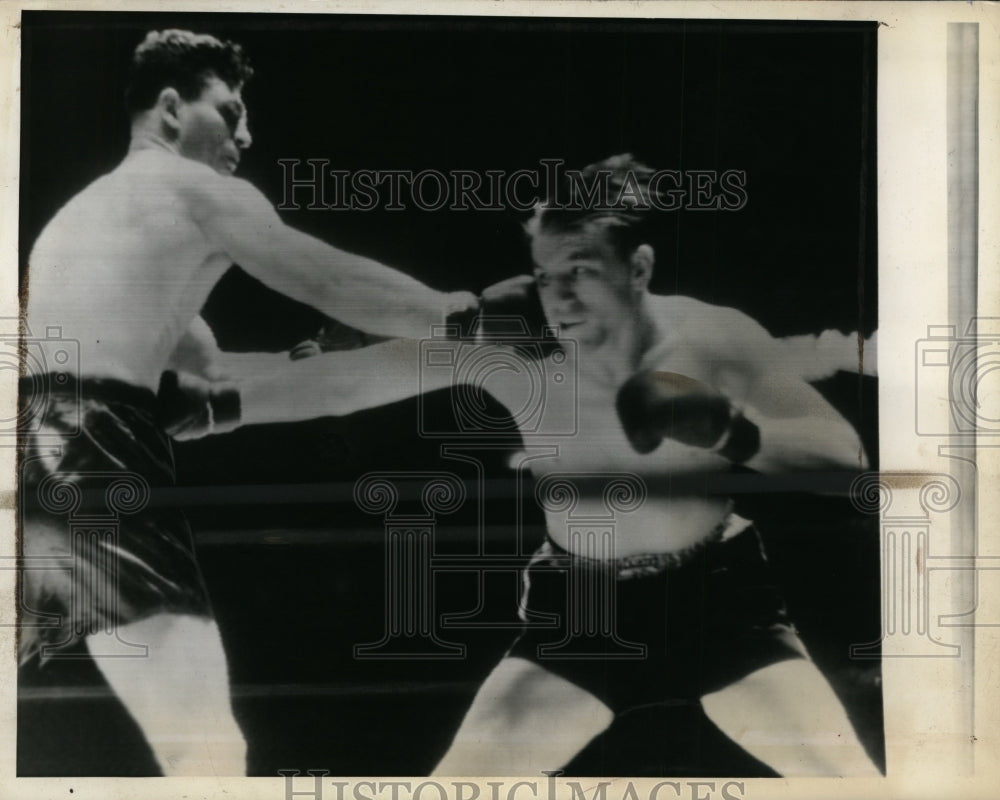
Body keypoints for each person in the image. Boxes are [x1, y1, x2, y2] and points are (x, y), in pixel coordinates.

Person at [169, 154, 880, 776]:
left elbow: (845, 457)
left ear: (638, 267)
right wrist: (215, 409)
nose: (559, 298)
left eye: (581, 272)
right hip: (581, 612)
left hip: (721, 608)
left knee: (846, 780)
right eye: (545, 275)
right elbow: (354, 380)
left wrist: (734, 433)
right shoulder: (519, 348)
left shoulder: (716, 337)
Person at [19, 28, 479, 776]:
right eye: (229, 111)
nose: (246, 133)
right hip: (87, 450)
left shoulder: (98, 221)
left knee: (183, 738)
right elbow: (325, 278)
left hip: (47, 455)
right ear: (171, 109)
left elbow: (216, 384)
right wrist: (459, 317)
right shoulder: (191, 187)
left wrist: (430, 360)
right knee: (202, 746)